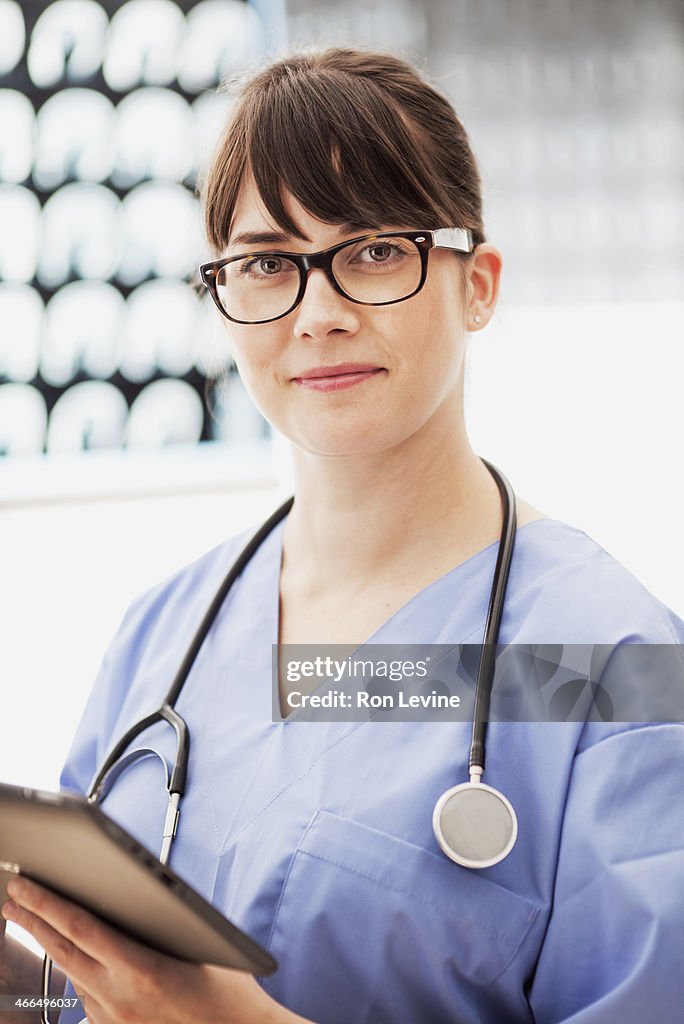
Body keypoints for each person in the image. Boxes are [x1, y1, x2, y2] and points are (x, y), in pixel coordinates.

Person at [2, 46, 684, 1024]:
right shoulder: (164, 636)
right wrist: (31, 986)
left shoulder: (609, 663)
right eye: (269, 263)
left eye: (372, 251)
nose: (317, 314)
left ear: (477, 283)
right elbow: (97, 995)